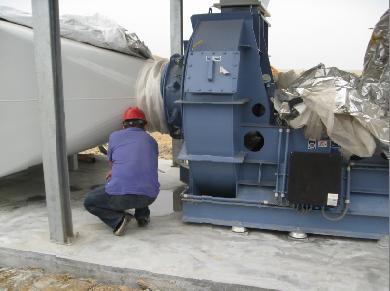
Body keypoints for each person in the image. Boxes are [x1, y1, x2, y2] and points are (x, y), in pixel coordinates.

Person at [84, 107, 160, 236]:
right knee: (140, 177)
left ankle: (118, 220)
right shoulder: (152, 141)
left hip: (122, 199)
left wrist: (114, 172)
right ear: (144, 125)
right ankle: (143, 216)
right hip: (149, 197)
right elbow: (145, 163)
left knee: (89, 202)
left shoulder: (115, 136)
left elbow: (112, 162)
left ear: (123, 125)